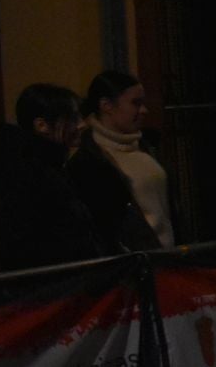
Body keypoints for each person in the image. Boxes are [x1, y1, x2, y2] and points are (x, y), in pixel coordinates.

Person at [0, 83, 100, 271]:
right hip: (54, 288)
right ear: (42, 125)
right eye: (72, 118)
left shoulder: (47, 166)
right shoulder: (29, 174)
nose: (82, 124)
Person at [67, 70, 173, 253]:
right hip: (135, 266)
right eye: (135, 103)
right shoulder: (90, 161)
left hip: (166, 258)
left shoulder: (145, 146)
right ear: (106, 105)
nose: (143, 110)